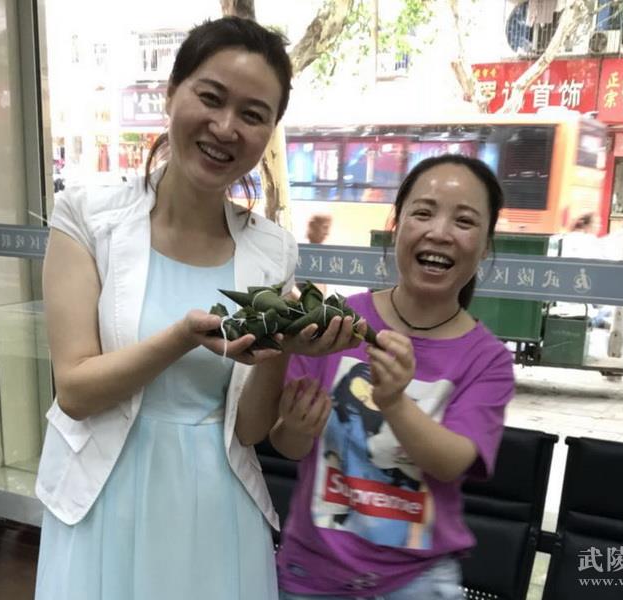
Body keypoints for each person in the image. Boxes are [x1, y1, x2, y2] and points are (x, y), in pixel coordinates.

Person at [33, 17, 358, 600]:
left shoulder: (272, 250)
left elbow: (249, 428)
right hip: (105, 495)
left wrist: (283, 346)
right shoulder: (88, 217)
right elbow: (75, 391)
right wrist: (181, 337)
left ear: (269, 132)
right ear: (170, 94)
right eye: (210, 98)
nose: (225, 127)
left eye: (253, 114)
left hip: (217, 502)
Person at [269, 154, 516, 599]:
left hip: (416, 583)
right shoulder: (338, 323)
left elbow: (452, 462)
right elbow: (287, 445)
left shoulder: (487, 360)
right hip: (310, 576)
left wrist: (395, 402)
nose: (439, 232)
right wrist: (297, 427)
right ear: (396, 225)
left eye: (464, 221)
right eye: (423, 213)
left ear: (485, 246)